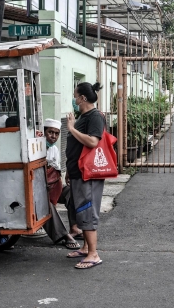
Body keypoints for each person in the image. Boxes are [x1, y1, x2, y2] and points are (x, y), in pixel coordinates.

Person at [65, 82, 105, 269]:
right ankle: (86, 248)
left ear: (82, 98)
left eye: (75, 96)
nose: (74, 99)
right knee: (80, 209)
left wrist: (72, 129)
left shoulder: (95, 116)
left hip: (87, 174)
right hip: (77, 172)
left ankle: (93, 254)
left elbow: (93, 142)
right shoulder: (84, 116)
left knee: (87, 210)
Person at [40, 118, 81, 249]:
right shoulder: (37, 147)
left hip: (51, 185)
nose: (54, 136)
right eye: (50, 132)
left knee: (71, 191)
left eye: (57, 133)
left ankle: (74, 228)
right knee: (46, 204)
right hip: (39, 189)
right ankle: (63, 235)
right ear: (44, 132)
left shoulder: (55, 150)